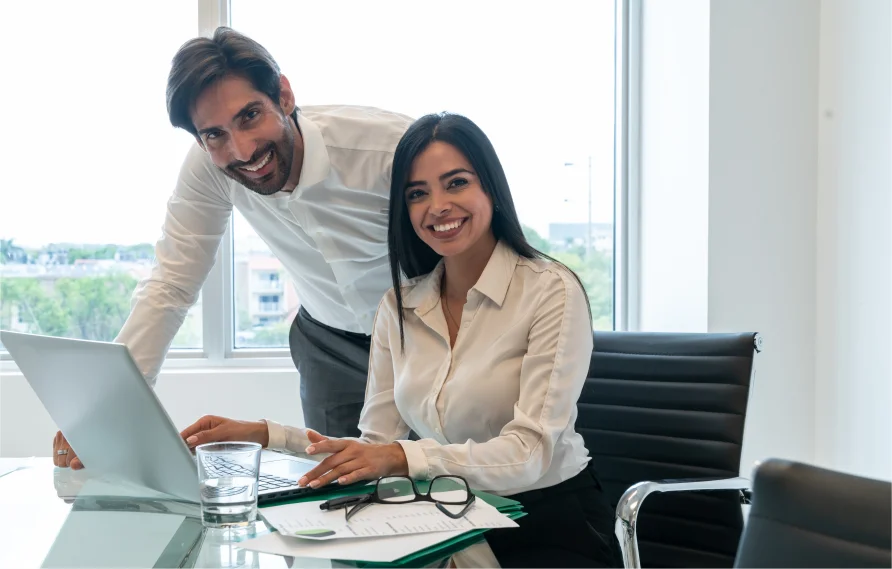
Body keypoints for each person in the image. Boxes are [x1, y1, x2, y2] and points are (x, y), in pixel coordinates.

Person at [181, 112, 622, 567]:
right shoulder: (400, 305)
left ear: (490, 187)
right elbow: (375, 447)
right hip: (450, 517)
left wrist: (401, 458)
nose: (438, 206)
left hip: (546, 524)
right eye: (418, 193)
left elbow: (530, 454)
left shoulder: (551, 290)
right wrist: (267, 435)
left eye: (456, 183)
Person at [52, 26, 413, 469]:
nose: (242, 150)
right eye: (214, 134)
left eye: (249, 116)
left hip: (422, 333)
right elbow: (170, 284)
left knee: (446, 475)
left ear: (283, 96)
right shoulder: (208, 168)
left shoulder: (387, 147)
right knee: (341, 489)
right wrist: (107, 407)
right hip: (328, 344)